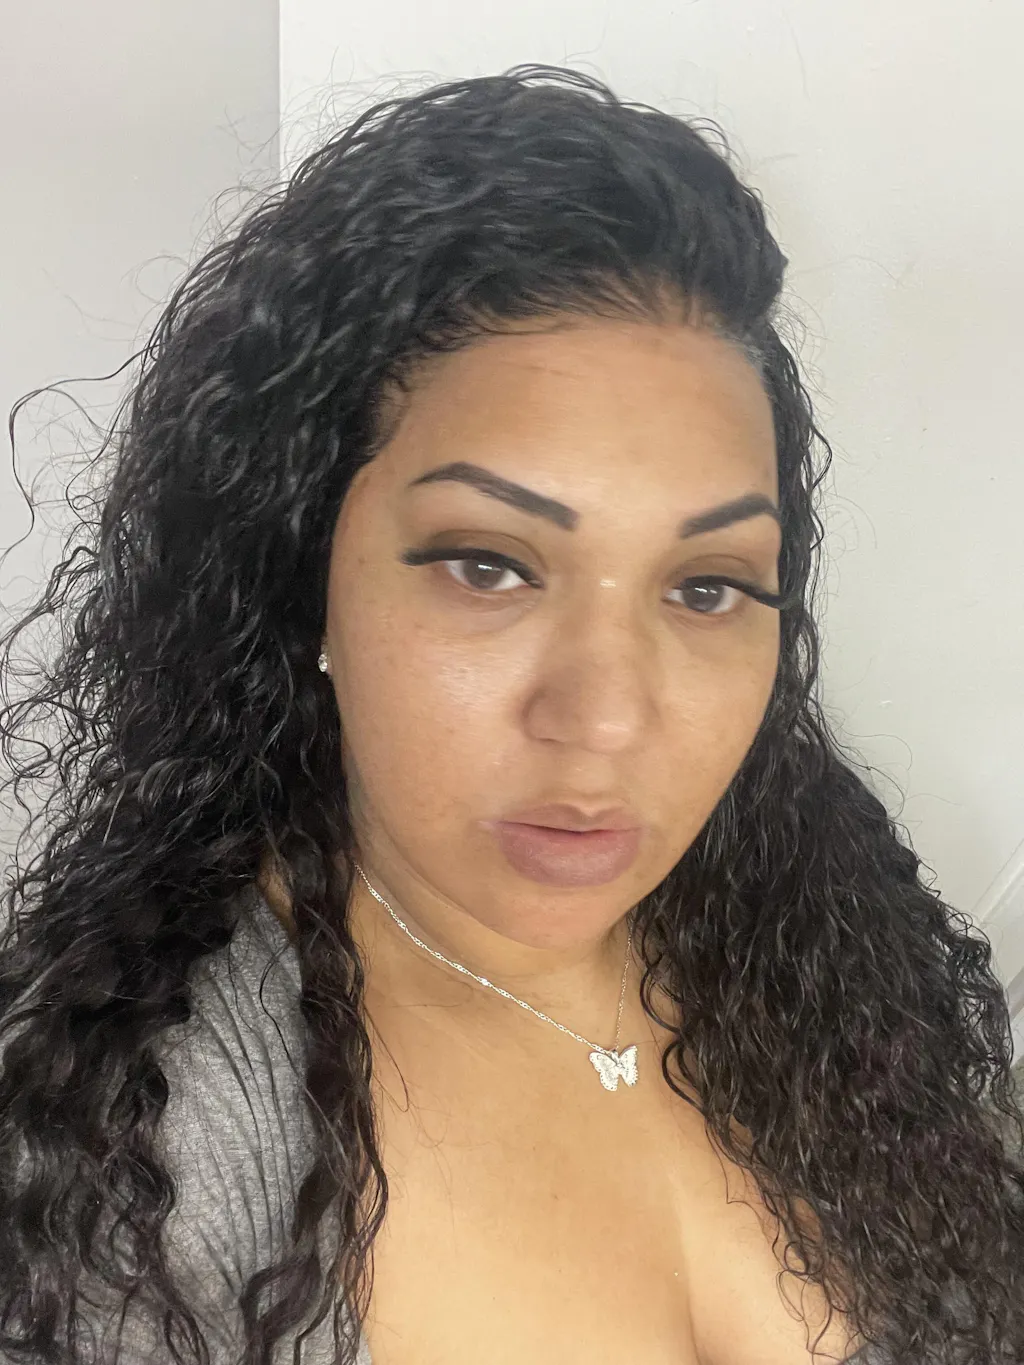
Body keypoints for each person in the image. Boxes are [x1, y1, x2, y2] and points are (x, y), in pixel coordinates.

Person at [0, 62, 1021, 1365]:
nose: (606, 719)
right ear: (303, 574)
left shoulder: (835, 982)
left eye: (707, 586)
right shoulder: (122, 1150)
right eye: (488, 566)